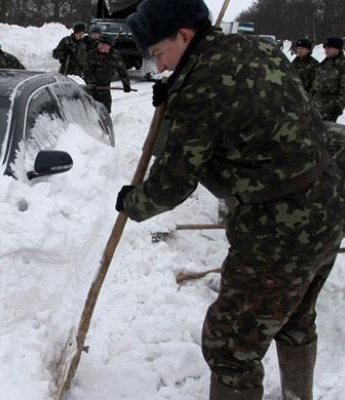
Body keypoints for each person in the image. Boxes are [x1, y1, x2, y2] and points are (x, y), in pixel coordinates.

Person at [117, 1, 345, 399]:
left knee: (229, 348)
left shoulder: (201, 87)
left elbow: (173, 183)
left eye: (158, 53)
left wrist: (133, 202)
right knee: (293, 317)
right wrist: (176, 98)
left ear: (184, 35)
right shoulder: (259, 49)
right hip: (328, 200)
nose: (160, 67)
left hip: (279, 228)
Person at [83, 33, 131, 112]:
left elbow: (122, 70)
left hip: (105, 88)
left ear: (109, 46)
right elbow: (86, 71)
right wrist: (92, 83)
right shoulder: (91, 55)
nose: (101, 46)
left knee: (106, 110)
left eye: (103, 45)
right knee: (91, 110)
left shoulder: (115, 55)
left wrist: (126, 84)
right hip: (92, 88)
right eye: (100, 44)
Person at [311, 37, 345, 122]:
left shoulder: (342, 66)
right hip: (315, 106)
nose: (326, 50)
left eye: (329, 48)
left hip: (330, 109)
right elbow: (316, 83)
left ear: (337, 48)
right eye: (325, 48)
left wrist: (338, 107)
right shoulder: (324, 63)